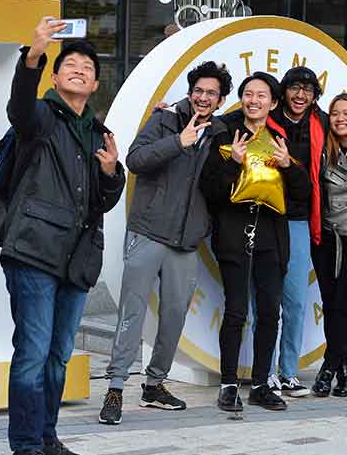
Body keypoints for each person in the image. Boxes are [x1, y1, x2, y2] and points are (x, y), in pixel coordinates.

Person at [0, 18, 125, 455]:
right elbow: (18, 106)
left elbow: (105, 201)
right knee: (33, 353)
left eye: (87, 67)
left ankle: (48, 437)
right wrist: (32, 55)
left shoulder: (99, 133)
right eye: (70, 63)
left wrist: (110, 173)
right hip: (34, 251)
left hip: (77, 259)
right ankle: (26, 445)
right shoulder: (39, 119)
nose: (79, 69)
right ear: (55, 77)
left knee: (57, 357)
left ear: (94, 85)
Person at [98, 61, 232, 425]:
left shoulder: (222, 133)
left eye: (212, 93)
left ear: (221, 101)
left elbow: (219, 186)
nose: (204, 98)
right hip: (148, 230)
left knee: (173, 315)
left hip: (186, 241)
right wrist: (179, 142)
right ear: (191, 93)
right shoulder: (165, 121)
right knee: (133, 311)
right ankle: (115, 387)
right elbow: (136, 160)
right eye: (199, 90)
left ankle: (154, 384)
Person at [200, 72, 311, 412]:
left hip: (272, 240)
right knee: (236, 312)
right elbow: (210, 189)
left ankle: (262, 384)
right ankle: (229, 384)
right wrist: (233, 162)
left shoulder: (281, 141)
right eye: (249, 94)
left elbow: (303, 193)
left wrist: (287, 165)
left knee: (269, 313)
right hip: (234, 237)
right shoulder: (225, 134)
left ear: (273, 103)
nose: (254, 100)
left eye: (262, 96)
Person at [262, 66, 328, 397]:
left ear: (315, 95)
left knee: (296, 301)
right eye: (294, 88)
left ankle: (288, 371)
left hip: (301, 220)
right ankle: (267, 371)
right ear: (283, 91)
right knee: (265, 301)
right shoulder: (266, 119)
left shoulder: (322, 124)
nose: (300, 95)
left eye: (307, 89)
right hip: (266, 217)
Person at [309, 93, 347, 397]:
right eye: (335, 113)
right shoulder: (322, 150)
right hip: (327, 238)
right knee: (332, 303)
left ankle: (328, 368)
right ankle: (342, 367)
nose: (341, 118)